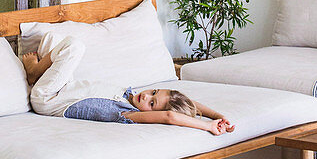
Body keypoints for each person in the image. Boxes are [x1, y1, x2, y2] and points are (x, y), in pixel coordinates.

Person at [22, 36, 234, 135]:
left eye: (152, 104)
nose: (146, 97)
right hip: (65, 86)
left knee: (74, 45)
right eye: (153, 92)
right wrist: (217, 115)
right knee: (50, 38)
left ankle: (34, 73)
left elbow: (170, 116)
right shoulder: (130, 94)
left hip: (49, 98)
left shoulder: (127, 114)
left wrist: (208, 126)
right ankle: (37, 73)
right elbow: (187, 102)